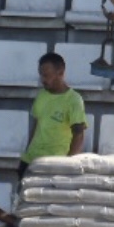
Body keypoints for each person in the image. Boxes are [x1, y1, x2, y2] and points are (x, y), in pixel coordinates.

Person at [17, 51, 88, 180]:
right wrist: (28, 151)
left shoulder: (74, 100)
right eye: (41, 75)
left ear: (60, 73)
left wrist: (68, 164)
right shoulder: (41, 95)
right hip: (31, 160)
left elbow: (79, 135)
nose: (43, 80)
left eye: (46, 75)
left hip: (55, 163)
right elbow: (36, 125)